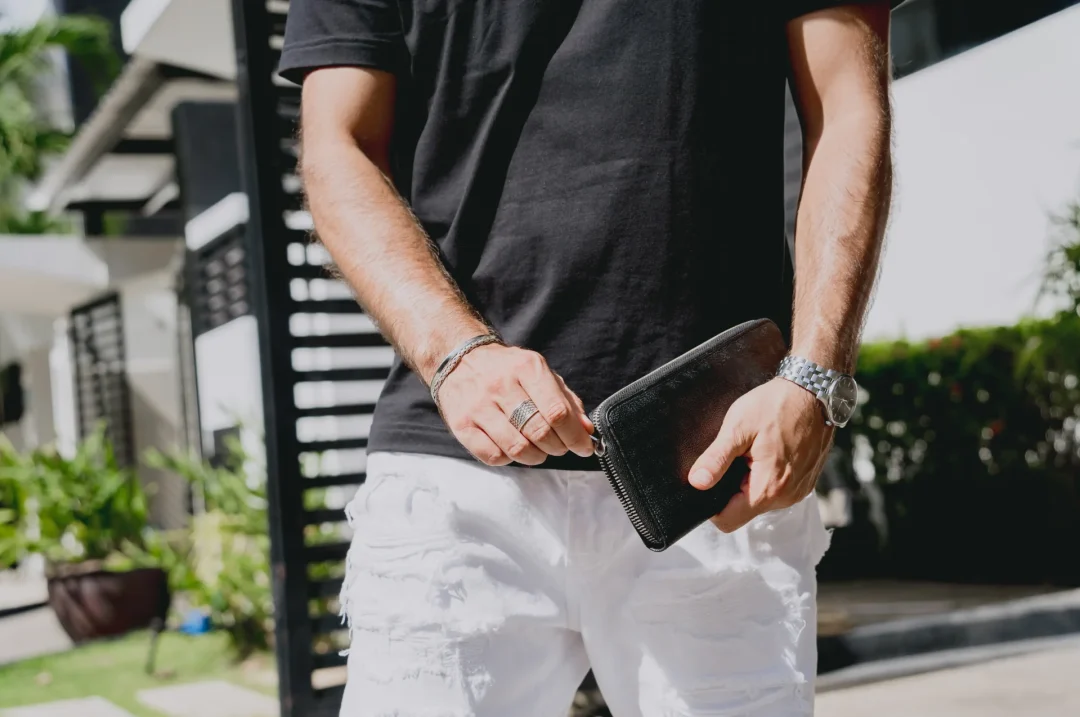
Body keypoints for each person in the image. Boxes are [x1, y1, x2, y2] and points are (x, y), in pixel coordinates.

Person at [279, 0, 894, 713]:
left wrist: (816, 379)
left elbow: (851, 105)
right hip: (457, 475)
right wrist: (458, 355)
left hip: (714, 467)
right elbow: (337, 146)